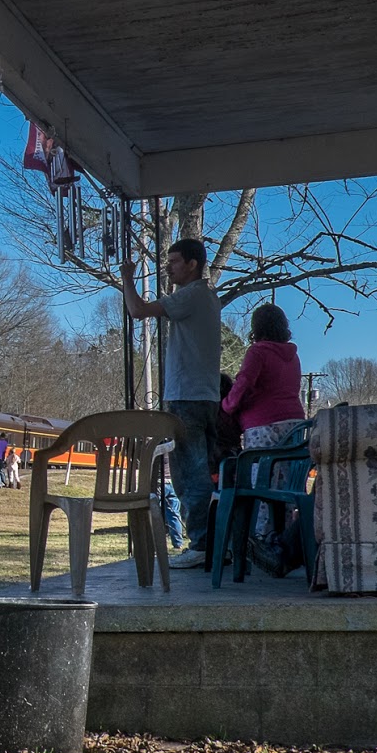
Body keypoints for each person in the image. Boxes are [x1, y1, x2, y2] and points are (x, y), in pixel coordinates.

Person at [121, 238, 222, 568]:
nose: (168, 267)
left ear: (193, 264)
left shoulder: (191, 295)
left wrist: (127, 277)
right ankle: (212, 543)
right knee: (201, 471)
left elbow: (137, 310)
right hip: (205, 395)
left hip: (186, 396)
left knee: (188, 474)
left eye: (174, 261)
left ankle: (201, 545)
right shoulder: (208, 297)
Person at [222, 303, 306, 451]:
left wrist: (227, 405)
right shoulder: (294, 356)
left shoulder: (257, 352)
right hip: (295, 421)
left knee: (260, 465)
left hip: (263, 422)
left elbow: (244, 383)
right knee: (290, 465)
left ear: (256, 328)